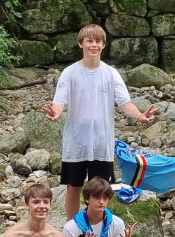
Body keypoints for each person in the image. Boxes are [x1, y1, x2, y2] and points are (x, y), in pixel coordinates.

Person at [43, 23, 159, 222]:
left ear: (103, 45)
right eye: (89, 41)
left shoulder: (110, 73)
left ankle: (98, 226)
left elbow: (125, 102)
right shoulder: (70, 73)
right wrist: (55, 113)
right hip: (76, 141)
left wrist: (139, 116)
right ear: (81, 44)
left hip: (101, 141)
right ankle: (73, 227)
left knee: (102, 189)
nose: (93, 45)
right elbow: (59, 101)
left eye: (97, 41)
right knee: (73, 186)